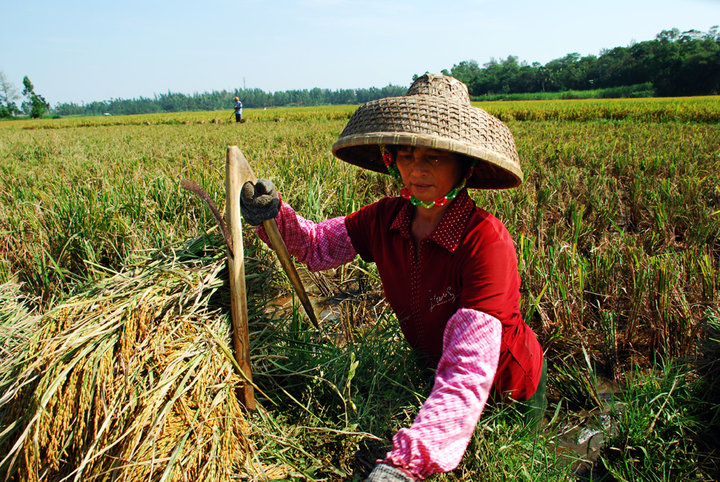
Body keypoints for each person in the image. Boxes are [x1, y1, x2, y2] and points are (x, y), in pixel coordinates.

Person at [240, 74, 546, 481]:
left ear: (466, 165)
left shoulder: (485, 242)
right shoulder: (386, 218)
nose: (416, 169)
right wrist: (274, 215)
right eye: (406, 153)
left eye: (434, 156)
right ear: (391, 158)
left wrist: (405, 465)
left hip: (506, 391)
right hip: (436, 379)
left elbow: (469, 368)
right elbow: (316, 245)